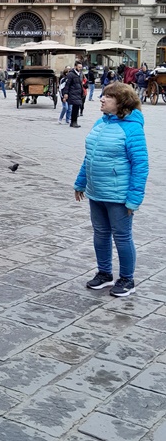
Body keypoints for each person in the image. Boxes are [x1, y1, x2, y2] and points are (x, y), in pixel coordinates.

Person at [75, 83, 149, 298]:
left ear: (121, 103)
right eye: (103, 95)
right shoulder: (101, 123)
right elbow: (90, 156)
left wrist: (134, 198)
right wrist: (81, 182)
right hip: (96, 191)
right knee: (100, 234)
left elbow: (140, 165)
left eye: (108, 96)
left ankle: (127, 279)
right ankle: (104, 273)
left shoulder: (132, 128)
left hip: (118, 196)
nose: (102, 99)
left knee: (122, 237)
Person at [63, 60, 84, 128]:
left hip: (78, 93)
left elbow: (81, 83)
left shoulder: (80, 74)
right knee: (75, 107)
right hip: (73, 92)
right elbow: (67, 84)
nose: (80, 68)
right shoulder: (71, 74)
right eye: (79, 67)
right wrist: (66, 93)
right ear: (75, 67)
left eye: (81, 67)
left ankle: (74, 121)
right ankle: (73, 122)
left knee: (77, 107)